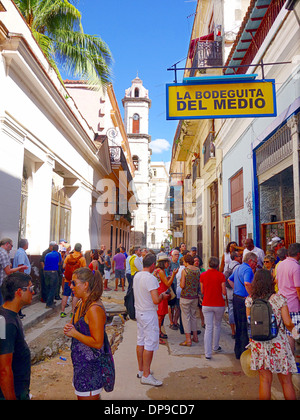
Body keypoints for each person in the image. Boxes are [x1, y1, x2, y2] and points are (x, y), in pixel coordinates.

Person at [245, 269, 299, 400]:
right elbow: (287, 322)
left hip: (259, 344)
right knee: (286, 381)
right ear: (271, 282)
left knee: (264, 381)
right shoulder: (279, 299)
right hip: (278, 343)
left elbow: (249, 322)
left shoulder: (249, 300)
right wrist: (295, 333)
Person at [63, 268, 106, 400]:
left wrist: (74, 333)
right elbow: (74, 327)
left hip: (90, 370)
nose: (71, 286)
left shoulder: (93, 309)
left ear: (85, 285)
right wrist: (71, 328)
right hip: (81, 366)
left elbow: (98, 343)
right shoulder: (81, 303)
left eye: (74, 283)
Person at [133, 253, 170, 387]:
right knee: (150, 344)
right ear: (153, 265)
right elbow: (155, 300)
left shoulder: (137, 276)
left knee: (141, 340)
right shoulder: (151, 279)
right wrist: (162, 296)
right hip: (149, 313)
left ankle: (141, 370)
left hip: (139, 311)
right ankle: (147, 375)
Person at [0, 272, 34, 400]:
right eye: (31, 289)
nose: (33, 292)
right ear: (19, 292)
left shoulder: (11, 315)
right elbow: (4, 369)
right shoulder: (6, 323)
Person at [228, 252, 258, 359]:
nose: (256, 264)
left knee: (239, 326)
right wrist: (251, 295)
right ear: (250, 261)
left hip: (236, 298)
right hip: (243, 302)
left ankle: (238, 351)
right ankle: (244, 353)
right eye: (255, 262)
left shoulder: (238, 268)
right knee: (245, 326)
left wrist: (237, 289)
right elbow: (247, 283)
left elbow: (229, 279)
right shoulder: (248, 269)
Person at [200, 257, 226, 359]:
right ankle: (215, 346)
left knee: (208, 328)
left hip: (207, 303)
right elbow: (224, 291)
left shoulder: (203, 275)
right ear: (217, 265)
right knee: (217, 325)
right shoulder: (221, 275)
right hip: (219, 303)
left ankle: (208, 353)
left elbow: (202, 291)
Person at [276, 242, 300, 355]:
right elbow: (298, 288)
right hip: (293, 305)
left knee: (286, 333)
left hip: (282, 304)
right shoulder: (295, 267)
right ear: (298, 254)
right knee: (292, 333)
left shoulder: (280, 264)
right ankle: (291, 360)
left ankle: (288, 359)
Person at [153, 254, 178, 344]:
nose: (169, 264)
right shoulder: (161, 271)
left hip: (160, 292)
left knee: (161, 315)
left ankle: (159, 332)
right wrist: (173, 275)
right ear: (164, 263)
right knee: (160, 316)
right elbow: (167, 284)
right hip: (161, 293)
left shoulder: (159, 270)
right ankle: (157, 334)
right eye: (168, 262)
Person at [179, 254, 200, 346]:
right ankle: (195, 337)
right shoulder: (198, 270)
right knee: (193, 317)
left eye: (184, 261)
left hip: (185, 297)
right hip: (194, 296)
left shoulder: (185, 271)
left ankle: (188, 340)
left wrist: (180, 282)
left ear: (186, 262)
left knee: (186, 318)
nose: (183, 263)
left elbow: (182, 285)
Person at [60, 244, 86, 318]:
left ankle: (62, 311)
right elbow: (84, 270)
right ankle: (72, 312)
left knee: (65, 295)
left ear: (74, 248)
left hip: (67, 279)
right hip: (76, 280)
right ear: (80, 249)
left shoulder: (68, 256)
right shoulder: (82, 258)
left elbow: (63, 266)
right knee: (75, 296)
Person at [0, 238, 28, 306]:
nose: (12, 248)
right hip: (2, 282)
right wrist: (20, 268)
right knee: (3, 304)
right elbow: (8, 271)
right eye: (12, 246)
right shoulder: (4, 253)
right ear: (7, 244)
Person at [224, 250, 242, 338]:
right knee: (237, 311)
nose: (241, 257)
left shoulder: (229, 265)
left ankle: (232, 331)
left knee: (231, 310)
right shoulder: (237, 266)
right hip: (235, 291)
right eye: (239, 256)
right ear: (235, 257)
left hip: (229, 290)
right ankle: (237, 330)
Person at [44, 244, 62, 309]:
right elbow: (60, 263)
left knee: (48, 287)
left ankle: (50, 301)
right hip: (53, 272)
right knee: (53, 288)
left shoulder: (47, 254)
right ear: (57, 249)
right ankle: (49, 304)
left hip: (46, 272)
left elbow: (45, 262)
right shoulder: (58, 254)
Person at [167, 249, 180, 330]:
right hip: (172, 286)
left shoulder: (178, 264)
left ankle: (175, 321)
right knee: (171, 306)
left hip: (178, 286)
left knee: (178, 306)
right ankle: (171, 322)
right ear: (172, 256)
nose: (177, 256)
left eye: (178, 255)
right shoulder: (169, 264)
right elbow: (166, 274)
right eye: (175, 255)